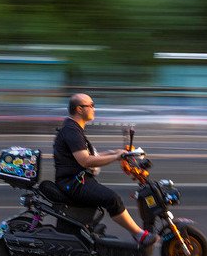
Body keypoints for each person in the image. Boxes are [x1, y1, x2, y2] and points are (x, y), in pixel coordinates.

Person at [53, 93, 159, 247]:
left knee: (107, 198)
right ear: (79, 109)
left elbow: (91, 155)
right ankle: (139, 235)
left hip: (76, 180)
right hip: (74, 182)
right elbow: (85, 160)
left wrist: (117, 152)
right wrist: (117, 157)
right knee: (112, 199)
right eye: (91, 105)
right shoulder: (72, 131)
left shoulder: (73, 128)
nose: (94, 108)